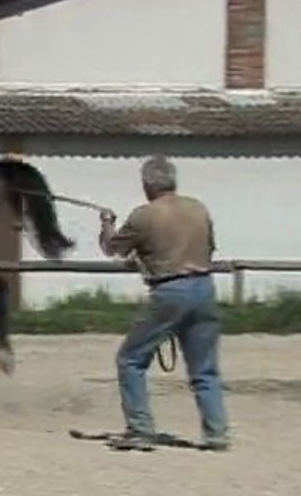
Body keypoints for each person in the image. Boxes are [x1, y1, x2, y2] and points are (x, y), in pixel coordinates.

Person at [98, 154, 229, 452]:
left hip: (170, 291)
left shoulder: (144, 216)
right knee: (205, 368)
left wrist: (107, 223)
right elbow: (209, 248)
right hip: (204, 286)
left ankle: (140, 428)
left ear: (147, 185)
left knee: (130, 360)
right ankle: (216, 433)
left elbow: (112, 248)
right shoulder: (198, 208)